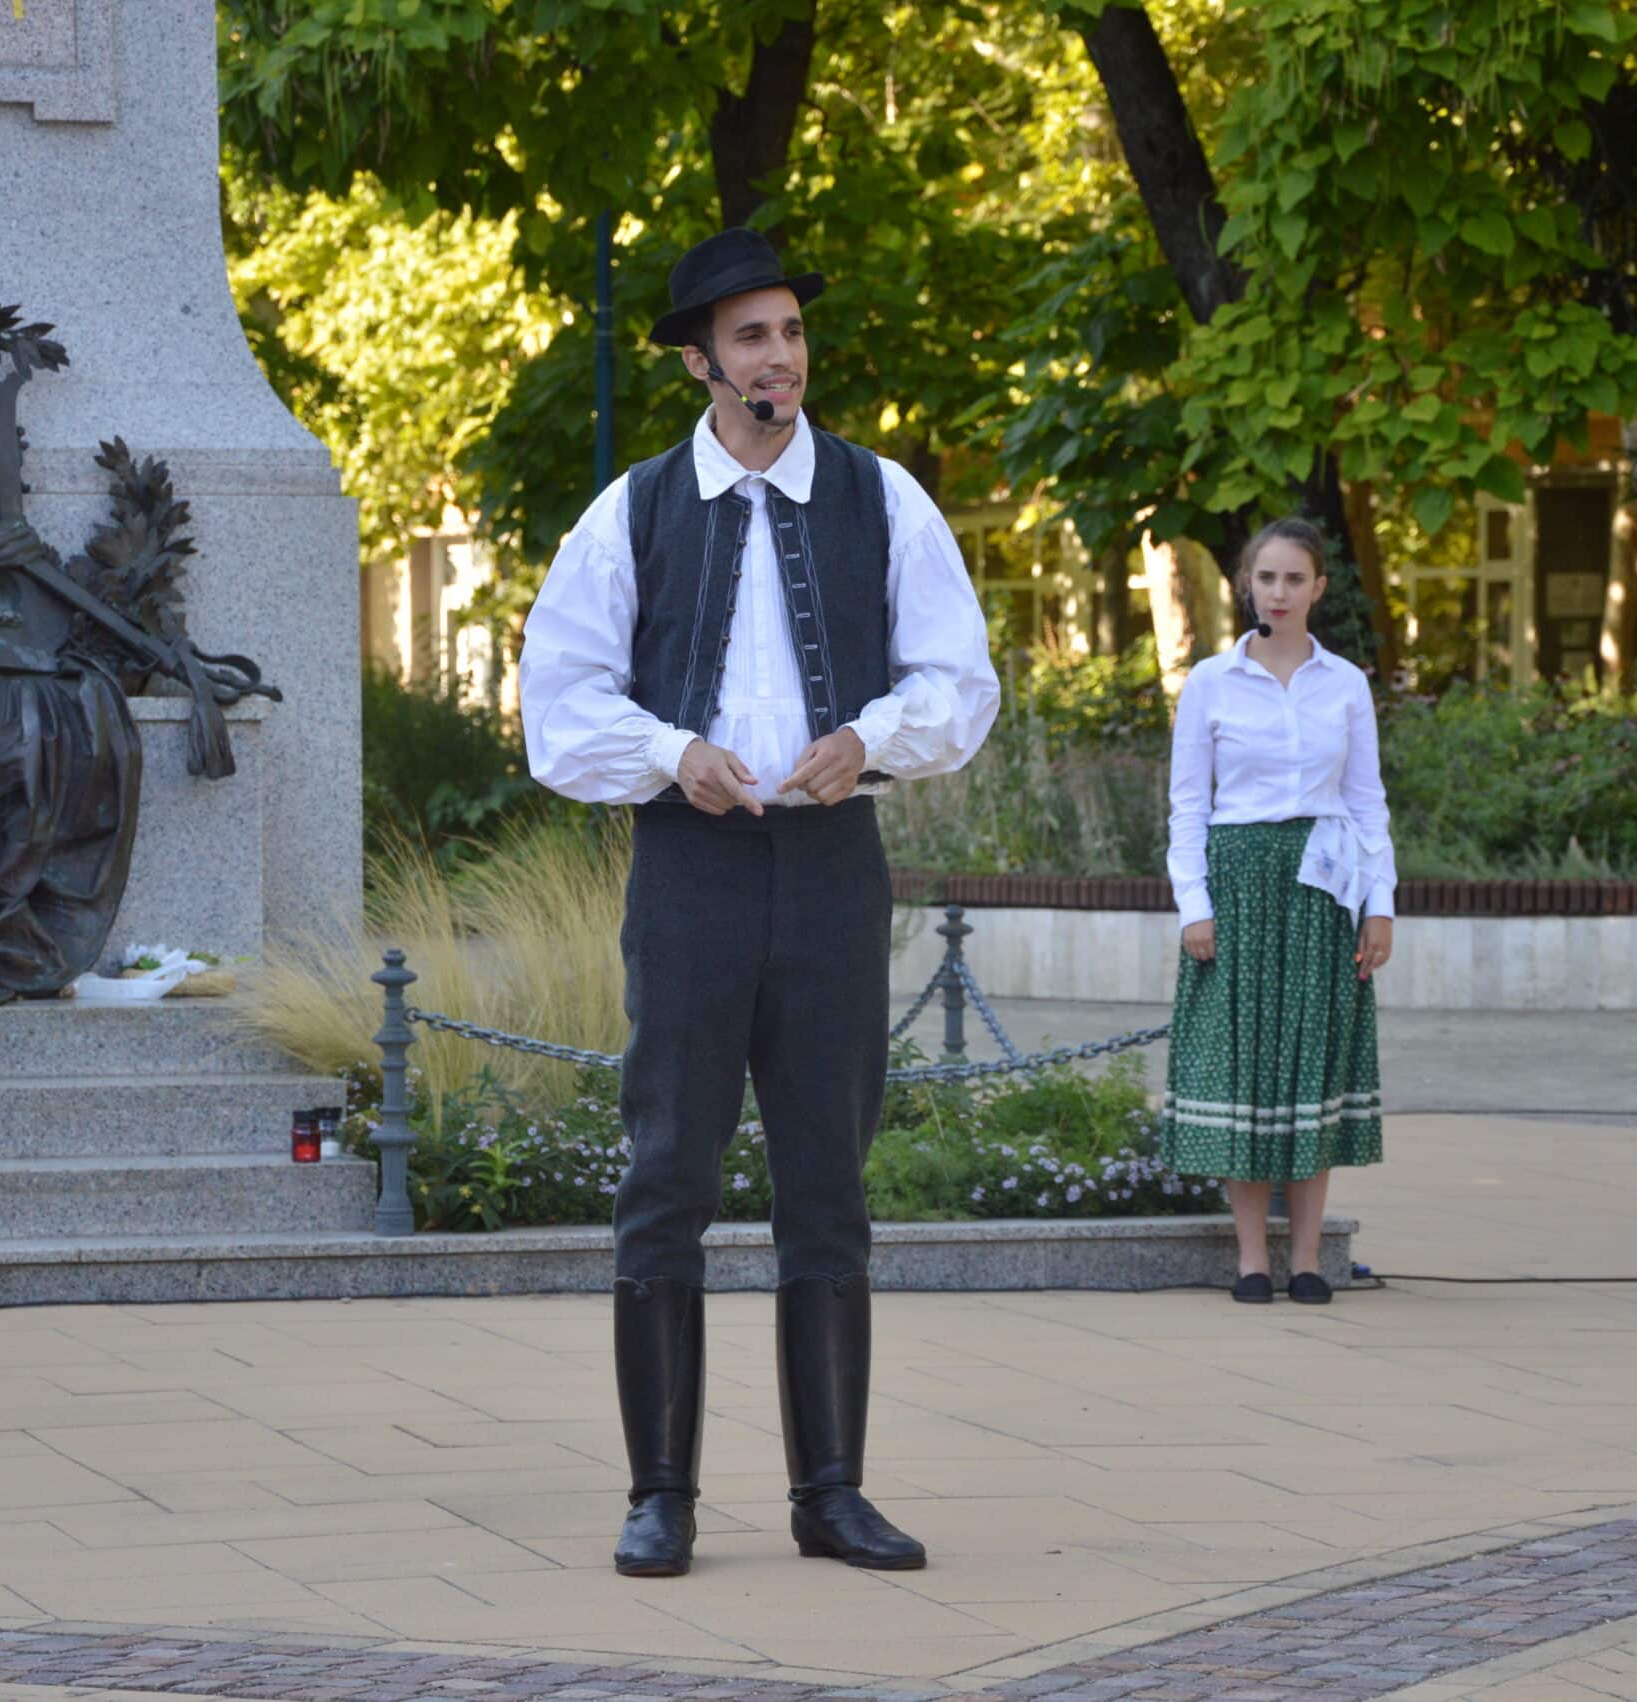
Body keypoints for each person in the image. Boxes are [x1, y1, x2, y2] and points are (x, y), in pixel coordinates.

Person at [518, 228, 999, 1577]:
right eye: (750, 337)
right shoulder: (633, 511)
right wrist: (675, 753)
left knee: (828, 1179)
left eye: (789, 331)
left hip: (836, 866)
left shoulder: (882, 495)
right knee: (667, 1170)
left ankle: (830, 1493)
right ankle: (659, 1494)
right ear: (699, 362)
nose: (778, 355)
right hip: (691, 867)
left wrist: (875, 735)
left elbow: (960, 678)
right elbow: (556, 704)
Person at [1162, 517, 1394, 1305]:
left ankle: (1307, 1260)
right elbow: (1188, 806)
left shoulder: (1346, 684)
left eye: (1296, 579)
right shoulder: (1210, 681)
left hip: (1322, 889)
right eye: (1267, 578)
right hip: (1238, 882)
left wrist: (1380, 905)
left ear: (1319, 587)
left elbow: (1366, 802)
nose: (1280, 593)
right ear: (1247, 584)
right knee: (1245, 1070)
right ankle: (1252, 1260)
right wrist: (1194, 905)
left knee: (1308, 1067)